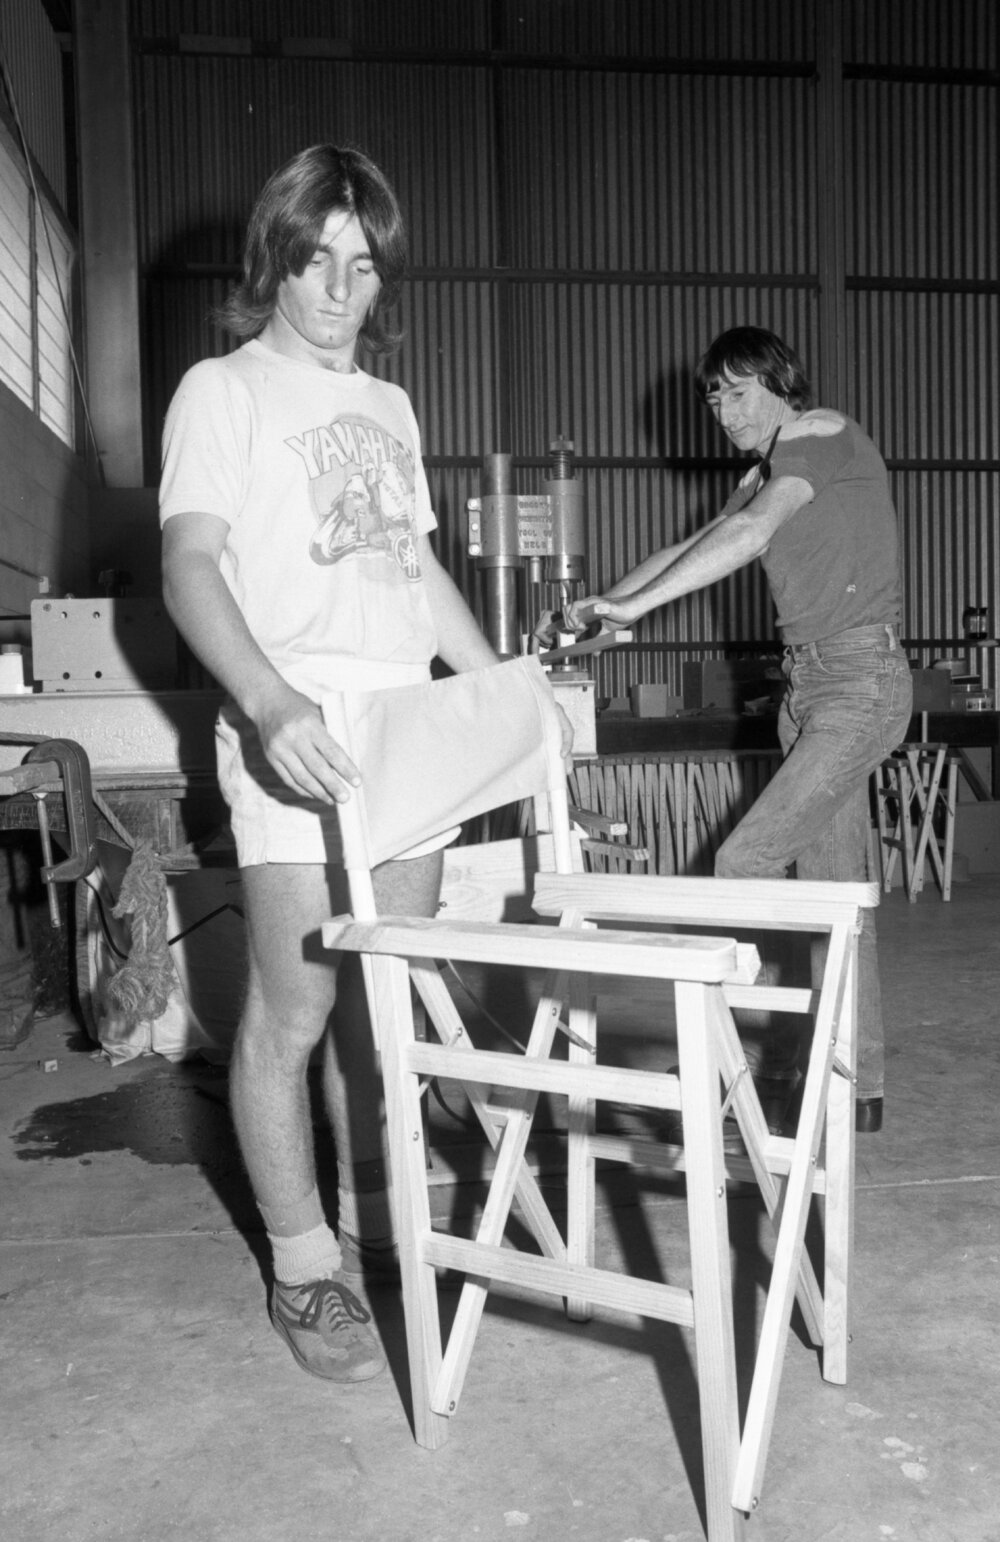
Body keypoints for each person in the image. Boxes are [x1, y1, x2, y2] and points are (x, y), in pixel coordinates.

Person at [159, 144, 570, 1386]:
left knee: (387, 1002)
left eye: (363, 264)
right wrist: (269, 702)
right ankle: (301, 1264)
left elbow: (414, 569)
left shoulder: (389, 410)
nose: (339, 288)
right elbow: (189, 566)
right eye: (315, 259)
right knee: (296, 1011)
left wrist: (507, 690)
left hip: (403, 731)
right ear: (273, 259)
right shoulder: (220, 391)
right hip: (298, 721)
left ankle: (382, 1226)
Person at [555, 325, 912, 1135]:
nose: (723, 409)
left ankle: (736, 1062)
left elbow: (751, 536)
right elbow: (700, 542)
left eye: (739, 389)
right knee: (833, 898)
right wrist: (605, 612)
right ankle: (854, 1081)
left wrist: (636, 610)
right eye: (713, 395)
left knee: (744, 857)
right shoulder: (761, 473)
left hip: (861, 684)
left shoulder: (821, 434)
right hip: (807, 690)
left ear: (783, 384)